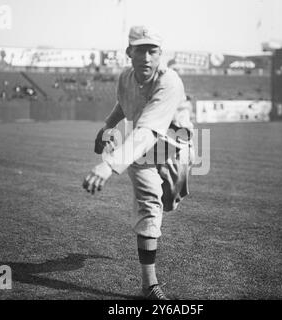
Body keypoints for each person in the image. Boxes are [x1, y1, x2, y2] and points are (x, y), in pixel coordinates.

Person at [82, 26, 194, 300]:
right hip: (139, 149)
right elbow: (125, 104)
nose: (146, 56)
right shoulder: (124, 78)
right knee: (149, 205)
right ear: (128, 52)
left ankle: (164, 199)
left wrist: (108, 164)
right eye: (140, 49)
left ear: (160, 55)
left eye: (152, 50)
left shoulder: (170, 82)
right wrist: (108, 126)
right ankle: (150, 285)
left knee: (169, 201)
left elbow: (148, 131)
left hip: (174, 147)